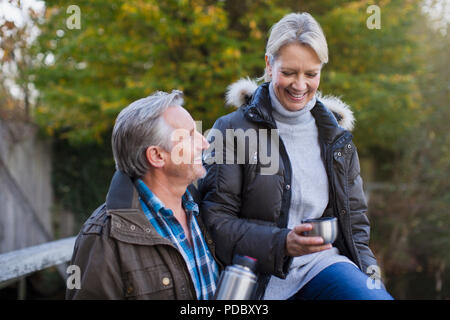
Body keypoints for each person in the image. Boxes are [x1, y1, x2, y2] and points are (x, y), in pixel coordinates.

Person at [199, 12, 393, 300]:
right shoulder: (230, 130)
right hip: (255, 278)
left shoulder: (336, 137)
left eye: (311, 74)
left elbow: (355, 224)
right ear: (269, 64)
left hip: (322, 267)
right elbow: (216, 224)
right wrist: (283, 244)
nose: (300, 85)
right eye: (288, 72)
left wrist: (371, 283)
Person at [66, 90, 220, 300]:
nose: (204, 143)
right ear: (157, 155)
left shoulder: (202, 208)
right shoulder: (102, 238)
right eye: (190, 136)